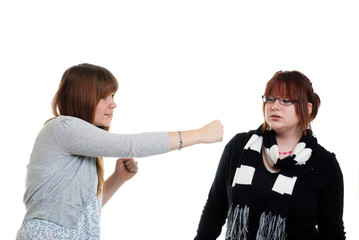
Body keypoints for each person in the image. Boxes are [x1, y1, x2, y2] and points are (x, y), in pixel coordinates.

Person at [16, 63, 223, 239]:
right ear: (82, 97)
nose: (113, 104)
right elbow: (131, 144)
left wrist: (118, 178)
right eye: (104, 97)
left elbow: (85, 211)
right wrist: (200, 134)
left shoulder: (81, 144)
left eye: (113, 95)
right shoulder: (63, 128)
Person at [195, 71, 345, 240]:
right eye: (270, 98)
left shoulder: (324, 164)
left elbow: (333, 233)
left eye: (286, 100)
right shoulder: (239, 146)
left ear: (307, 108)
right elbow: (215, 209)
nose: (275, 106)